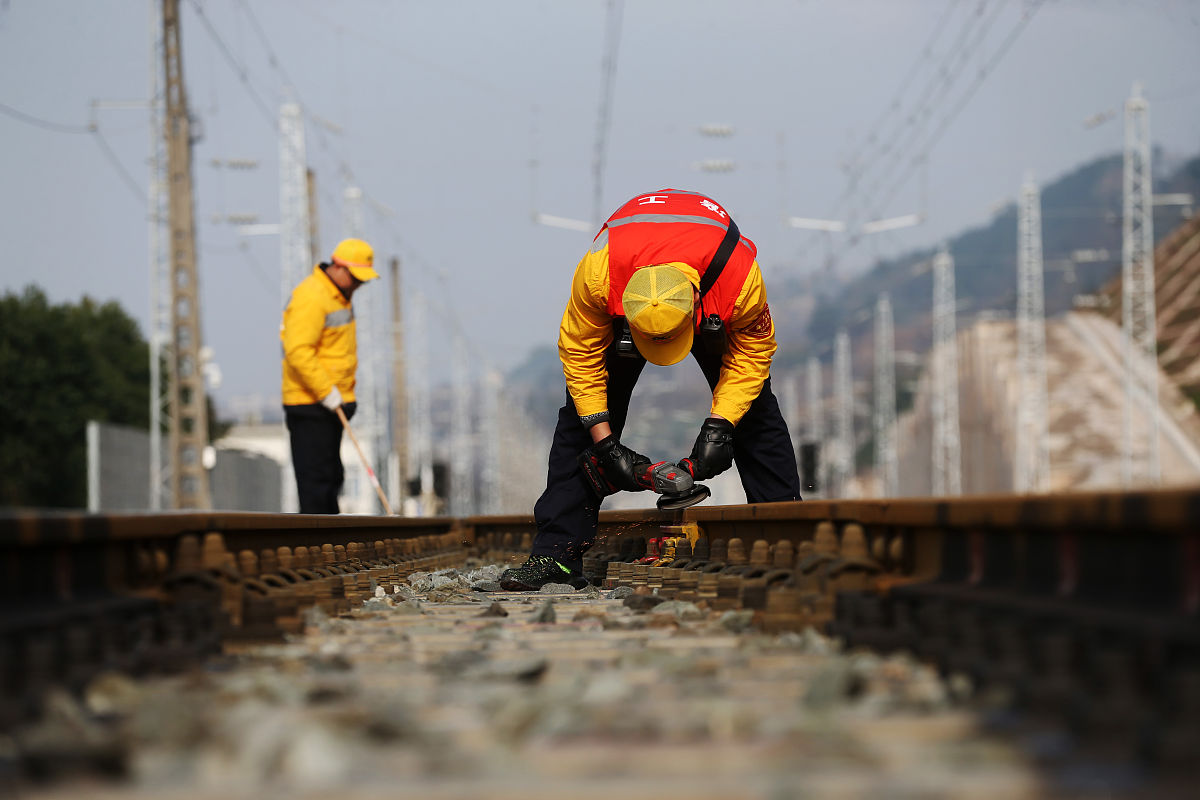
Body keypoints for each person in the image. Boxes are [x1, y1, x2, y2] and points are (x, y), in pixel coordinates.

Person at [500, 189, 802, 590]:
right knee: (580, 421)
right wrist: (605, 445)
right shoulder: (598, 274)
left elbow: (752, 353)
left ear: (697, 304)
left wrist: (721, 425)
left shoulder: (739, 280)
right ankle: (556, 556)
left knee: (754, 412)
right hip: (627, 305)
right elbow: (580, 356)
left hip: (713, 293)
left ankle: (788, 539)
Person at [280, 238, 379, 513]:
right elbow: (298, 351)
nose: (359, 285)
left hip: (332, 404)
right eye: (356, 278)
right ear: (338, 267)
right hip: (310, 402)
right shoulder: (312, 296)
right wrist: (326, 391)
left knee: (332, 476)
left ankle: (330, 543)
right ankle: (317, 546)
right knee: (317, 481)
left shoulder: (339, 296)